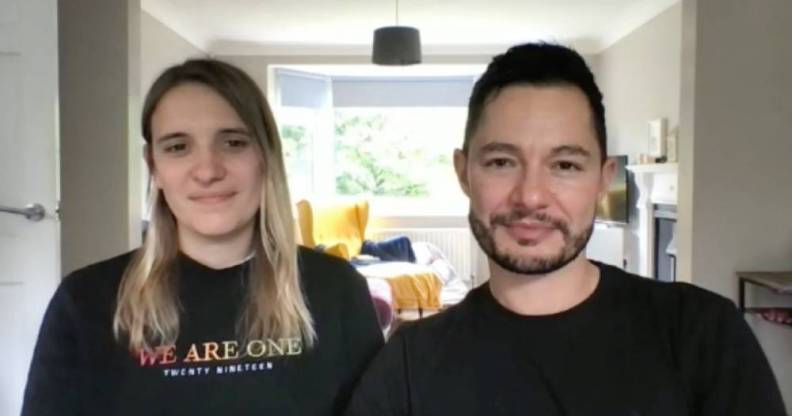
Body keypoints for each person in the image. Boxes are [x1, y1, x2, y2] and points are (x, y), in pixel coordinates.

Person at [345, 43, 786, 415]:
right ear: (463, 173)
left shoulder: (702, 335)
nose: (531, 196)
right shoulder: (407, 365)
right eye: (501, 162)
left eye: (565, 165)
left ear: (602, 179)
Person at [22, 59, 383, 415]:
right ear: (155, 168)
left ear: (267, 156)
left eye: (233, 143)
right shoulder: (87, 300)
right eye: (178, 147)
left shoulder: (336, 290)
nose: (208, 170)